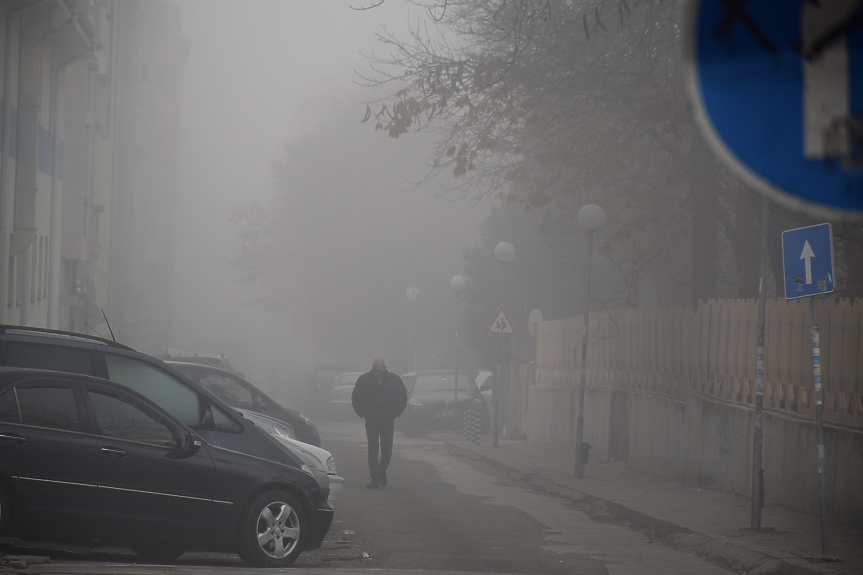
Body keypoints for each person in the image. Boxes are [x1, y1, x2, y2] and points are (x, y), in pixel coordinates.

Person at [351, 358, 407, 488]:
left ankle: (382, 470)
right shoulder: (364, 380)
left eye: (379, 371)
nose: (377, 373)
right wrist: (363, 413)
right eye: (375, 370)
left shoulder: (395, 380)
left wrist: (395, 413)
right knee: (373, 448)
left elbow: (402, 398)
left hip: (388, 419)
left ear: (385, 368)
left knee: (387, 449)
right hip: (371, 419)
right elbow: (356, 398)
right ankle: (375, 478)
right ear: (372, 368)